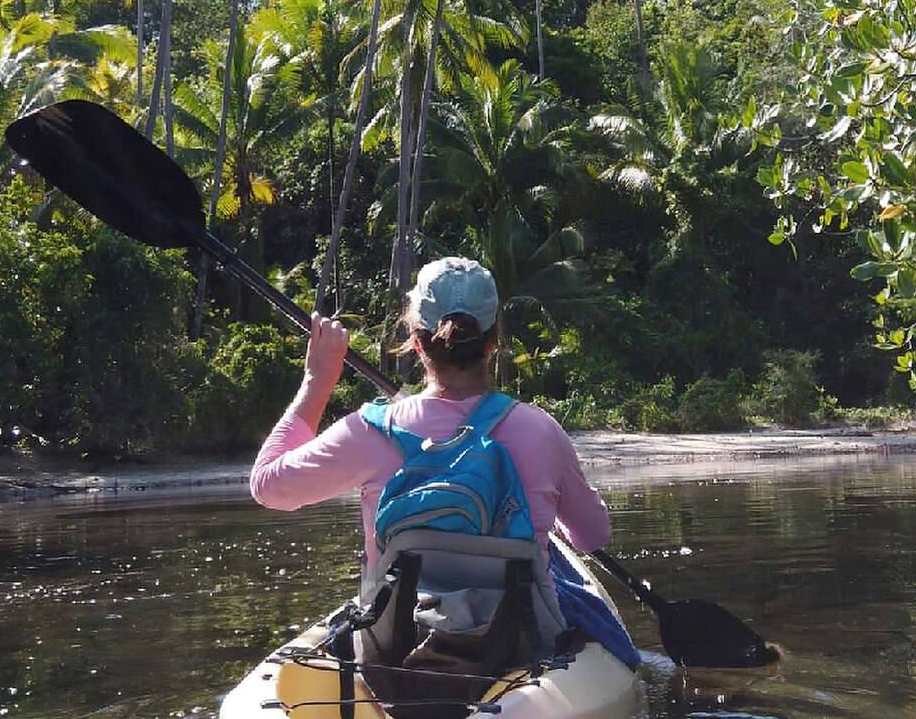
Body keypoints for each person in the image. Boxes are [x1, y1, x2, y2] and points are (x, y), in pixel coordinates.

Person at [250, 257, 636, 672]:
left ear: (416, 341)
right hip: (518, 646)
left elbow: (267, 485)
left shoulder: (371, 431)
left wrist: (318, 380)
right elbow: (592, 535)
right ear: (493, 342)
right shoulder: (540, 430)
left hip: (395, 647)